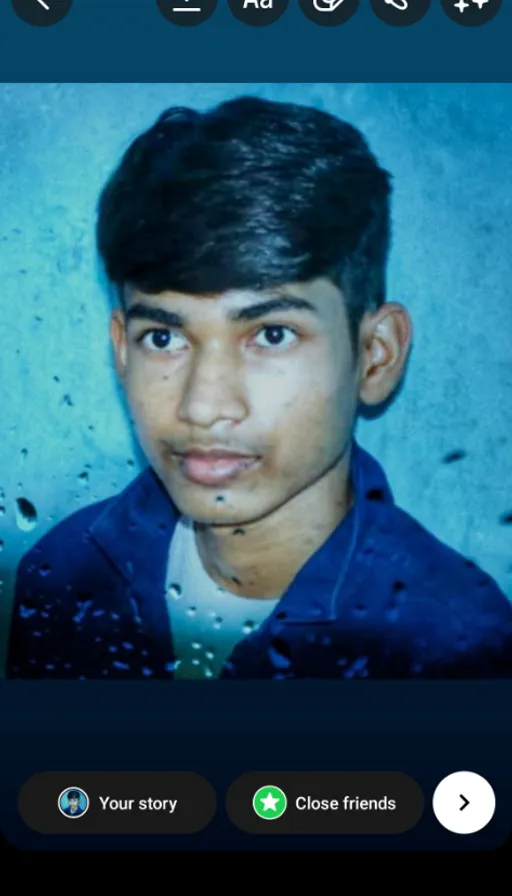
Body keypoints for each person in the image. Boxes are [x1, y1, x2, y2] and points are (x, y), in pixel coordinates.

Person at [6, 96, 512, 680]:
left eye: (271, 334)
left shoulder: (457, 647)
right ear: (121, 351)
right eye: (164, 339)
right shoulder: (63, 572)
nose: (204, 405)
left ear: (374, 356)